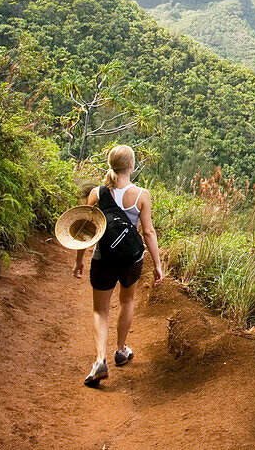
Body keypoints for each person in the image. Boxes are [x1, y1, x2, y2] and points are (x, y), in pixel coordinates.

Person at [73, 144, 163, 386]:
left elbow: (86, 232)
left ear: (110, 164)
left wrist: (80, 260)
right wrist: (157, 264)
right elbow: (148, 232)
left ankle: (100, 360)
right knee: (127, 300)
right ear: (131, 166)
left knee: (100, 311)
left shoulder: (97, 194)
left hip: (104, 258)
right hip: (131, 259)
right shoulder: (141, 195)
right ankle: (121, 350)